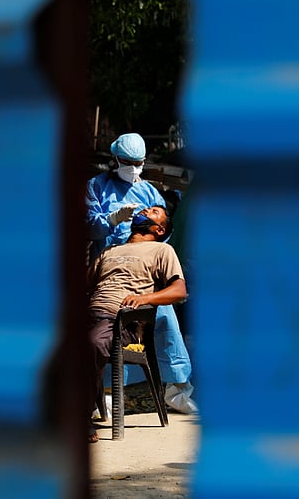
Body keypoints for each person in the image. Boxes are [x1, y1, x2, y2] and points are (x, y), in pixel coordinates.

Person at [85, 133, 198, 414]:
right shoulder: (96, 187)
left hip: (144, 275)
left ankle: (177, 388)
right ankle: (107, 392)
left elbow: (165, 228)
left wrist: (153, 271)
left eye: (139, 163)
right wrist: (111, 220)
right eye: (128, 162)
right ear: (115, 160)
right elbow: (87, 227)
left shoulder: (148, 192)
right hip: (111, 270)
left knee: (165, 316)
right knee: (104, 326)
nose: (134, 168)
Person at [86, 205, 187, 442]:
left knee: (92, 343)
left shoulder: (162, 250)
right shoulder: (110, 250)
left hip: (121, 320)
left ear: (159, 229)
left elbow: (179, 290)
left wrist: (145, 298)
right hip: (90, 314)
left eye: (153, 212)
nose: (144, 211)